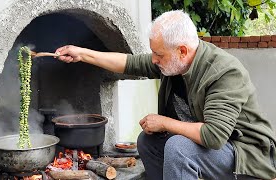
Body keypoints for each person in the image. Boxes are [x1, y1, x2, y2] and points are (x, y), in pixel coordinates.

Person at [55, 10, 276, 180]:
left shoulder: (224, 72)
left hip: (246, 156)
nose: (153, 60)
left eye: (158, 54)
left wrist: (164, 122)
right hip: (218, 149)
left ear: (182, 50)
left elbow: (213, 136)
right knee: (148, 141)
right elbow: (129, 63)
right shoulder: (173, 63)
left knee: (178, 146)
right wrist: (82, 54)